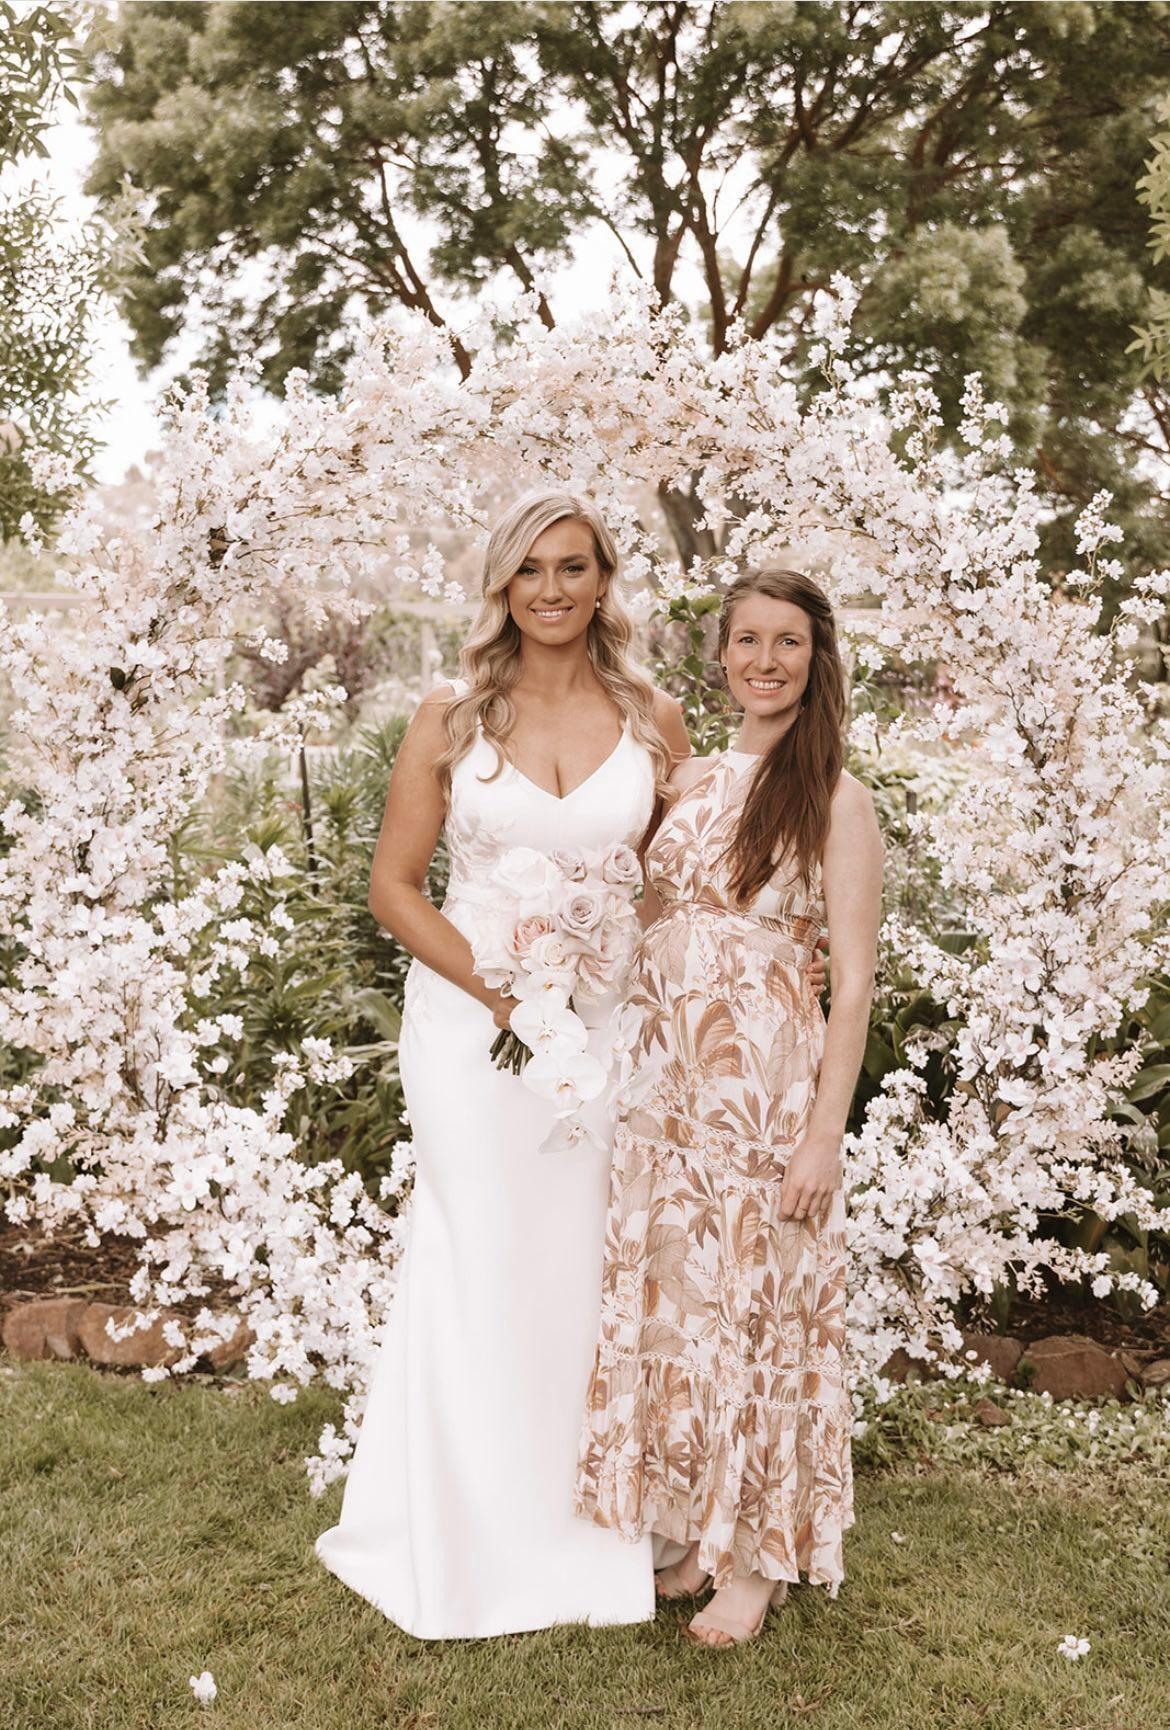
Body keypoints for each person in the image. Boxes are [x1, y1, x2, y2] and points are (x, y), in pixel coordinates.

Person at [315, 488, 689, 1638]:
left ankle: (588, 1534)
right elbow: (393, 886)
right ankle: (467, 1541)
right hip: (474, 1033)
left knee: (582, 1267)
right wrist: (504, 988)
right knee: (480, 1254)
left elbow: (673, 888)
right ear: (501, 586)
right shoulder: (451, 715)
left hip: (605, 1041)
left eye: (575, 567)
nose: (554, 589)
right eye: (531, 570)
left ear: (604, 580)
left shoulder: (656, 718)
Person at [574, 568, 883, 1647]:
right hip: (667, 1081)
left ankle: (757, 1554)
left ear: (817, 656)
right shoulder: (690, 776)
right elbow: (643, 907)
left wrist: (821, 1132)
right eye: (747, 639)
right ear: (720, 656)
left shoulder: (835, 794)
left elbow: (852, 981)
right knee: (684, 1300)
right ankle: (694, 1525)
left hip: (761, 1090)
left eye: (787, 641)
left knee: (759, 1302)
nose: (765, 659)